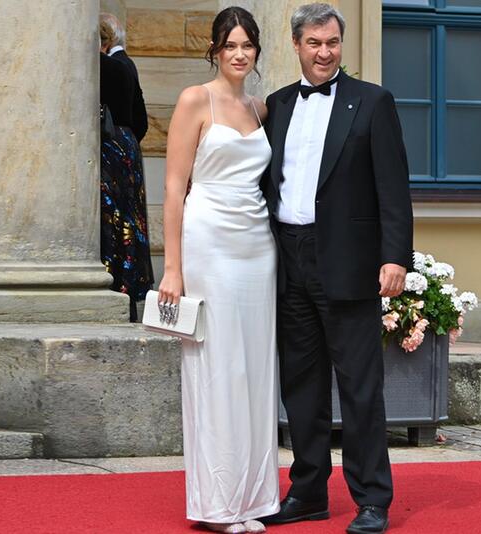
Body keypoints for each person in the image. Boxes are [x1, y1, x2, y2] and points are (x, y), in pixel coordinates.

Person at [258, 4, 413, 534]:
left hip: (347, 262)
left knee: (360, 387)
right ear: (297, 45)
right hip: (288, 257)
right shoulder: (276, 106)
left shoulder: (372, 102)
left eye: (333, 42)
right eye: (314, 43)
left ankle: (373, 500)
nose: (324, 52)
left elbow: (393, 189)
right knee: (300, 384)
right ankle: (307, 493)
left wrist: (395, 258)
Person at [155, 7, 278, 534]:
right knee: (217, 368)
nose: (239, 53)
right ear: (215, 49)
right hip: (209, 244)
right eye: (230, 44)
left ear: (256, 51)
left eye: (248, 44)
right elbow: (172, 189)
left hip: (258, 247)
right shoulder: (193, 100)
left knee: (254, 369)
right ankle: (217, 504)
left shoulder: (259, 108)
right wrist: (172, 269)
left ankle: (253, 499)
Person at [99, 19, 153, 321]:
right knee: (128, 221)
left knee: (112, 221)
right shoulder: (125, 65)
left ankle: (115, 283)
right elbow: (141, 119)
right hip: (127, 147)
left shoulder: (103, 67)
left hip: (109, 149)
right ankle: (129, 287)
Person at [99, 13, 149, 143]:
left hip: (113, 139)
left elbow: (138, 116)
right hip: (124, 139)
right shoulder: (122, 63)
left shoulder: (116, 64)